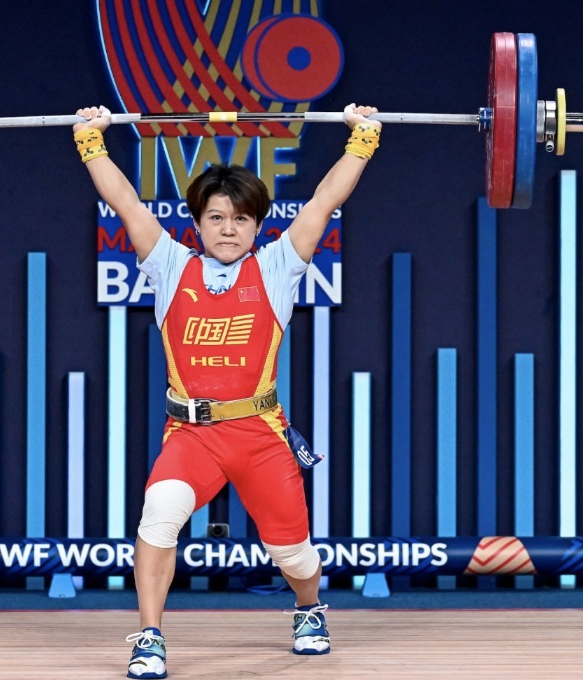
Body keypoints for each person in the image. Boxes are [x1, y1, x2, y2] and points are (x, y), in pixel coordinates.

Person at [73, 103, 382, 679]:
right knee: (158, 514)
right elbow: (126, 203)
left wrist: (362, 140)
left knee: (294, 554)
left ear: (257, 226)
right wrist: (91, 141)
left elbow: (323, 202)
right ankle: (149, 636)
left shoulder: (277, 267)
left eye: (241, 219)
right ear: (197, 223)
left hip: (259, 434)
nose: (228, 229)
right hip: (191, 434)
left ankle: (309, 609)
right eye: (216, 218)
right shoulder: (169, 264)